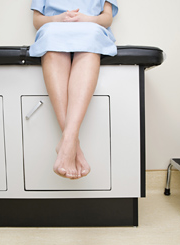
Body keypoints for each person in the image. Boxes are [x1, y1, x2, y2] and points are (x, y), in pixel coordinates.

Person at [29, 0, 118, 180]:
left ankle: (67, 142)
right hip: (54, 28)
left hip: (91, 28)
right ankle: (73, 146)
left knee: (91, 35)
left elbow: (107, 18)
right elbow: (37, 20)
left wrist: (86, 19)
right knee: (51, 35)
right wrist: (58, 18)